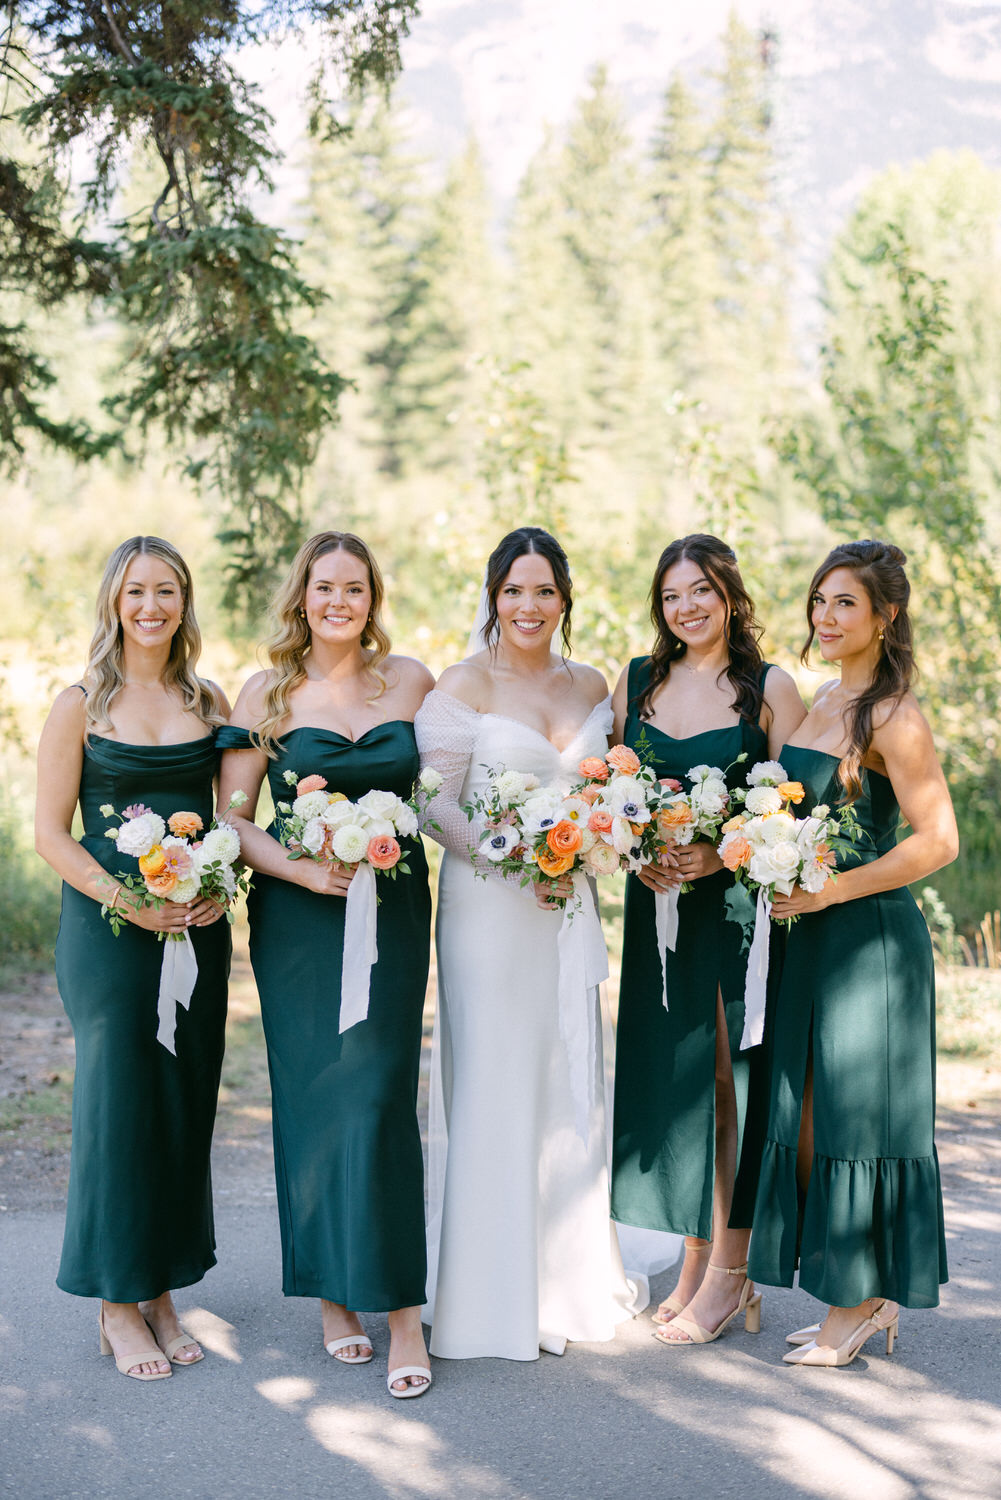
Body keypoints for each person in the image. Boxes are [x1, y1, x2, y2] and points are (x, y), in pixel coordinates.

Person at [415, 525, 646, 1362]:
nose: (528, 605)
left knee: (562, 1067)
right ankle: (485, 1292)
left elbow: (610, 791)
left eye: (543, 590)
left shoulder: (590, 684)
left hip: (567, 904)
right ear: (493, 596)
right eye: (513, 589)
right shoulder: (462, 684)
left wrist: (592, 841)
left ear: (564, 600)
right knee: (494, 1073)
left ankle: (565, 1275)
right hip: (488, 904)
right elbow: (432, 805)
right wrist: (509, 853)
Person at [216, 532, 434, 1398]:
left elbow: (453, 783)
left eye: (354, 588)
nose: (338, 601)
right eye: (323, 587)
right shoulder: (264, 692)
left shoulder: (412, 681)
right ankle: (332, 1298)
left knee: (380, 1095)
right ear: (301, 597)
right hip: (300, 918)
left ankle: (402, 1310)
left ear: (372, 598)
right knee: (313, 1095)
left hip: (392, 911)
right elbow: (233, 818)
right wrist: (308, 869)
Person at [749, 539, 957, 1367]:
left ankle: (860, 1304)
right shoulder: (816, 701)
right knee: (806, 1119)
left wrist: (834, 889)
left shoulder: (892, 714)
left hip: (867, 940)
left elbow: (937, 840)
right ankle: (854, 1292)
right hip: (806, 940)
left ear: (885, 615)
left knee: (855, 1118)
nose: (825, 617)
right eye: (819, 600)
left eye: (845, 604)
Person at [35, 536, 231, 1381]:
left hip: (196, 928)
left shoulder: (208, 698)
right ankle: (117, 1304)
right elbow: (49, 832)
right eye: (135, 592)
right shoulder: (78, 703)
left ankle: (161, 1291)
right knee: (120, 1109)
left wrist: (218, 883)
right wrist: (128, 901)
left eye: (166, 592)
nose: (150, 607)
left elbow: (231, 815)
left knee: (183, 1103)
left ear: (185, 603)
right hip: (110, 934)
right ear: (113, 601)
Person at [610, 534, 806, 1348]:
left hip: (732, 914)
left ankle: (733, 1272)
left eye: (699, 591)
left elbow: (794, 809)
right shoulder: (638, 681)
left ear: (729, 594)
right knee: (680, 1085)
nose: (685, 607)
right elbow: (609, 790)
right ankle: (694, 1259)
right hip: (657, 910)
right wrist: (635, 849)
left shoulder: (768, 687)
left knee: (732, 1083)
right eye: (670, 596)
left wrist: (718, 843)